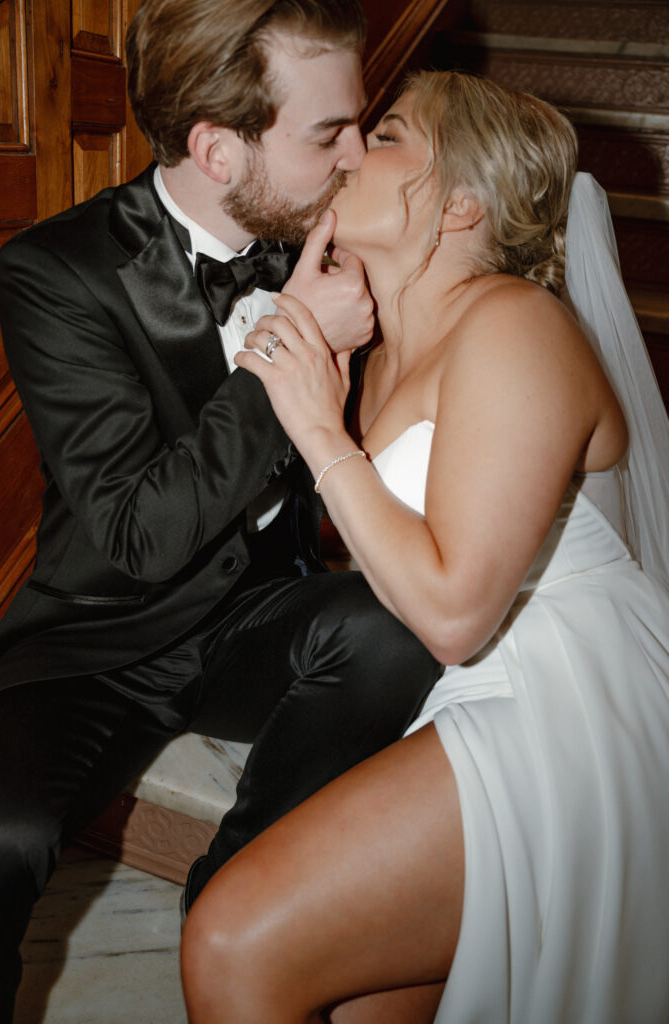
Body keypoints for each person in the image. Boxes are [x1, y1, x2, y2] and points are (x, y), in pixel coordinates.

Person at [180, 71, 669, 1023]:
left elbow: (450, 612)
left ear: (461, 200)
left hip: (558, 693)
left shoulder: (515, 324)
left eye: (389, 135)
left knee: (233, 940)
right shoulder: (376, 353)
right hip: (444, 687)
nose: (351, 150)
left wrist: (318, 428)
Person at [0, 2, 441, 1019]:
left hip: (253, 621)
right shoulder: (54, 272)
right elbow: (140, 533)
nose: (360, 152)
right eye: (328, 133)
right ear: (216, 149)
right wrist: (295, 344)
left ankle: (233, 901)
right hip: (100, 636)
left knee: (394, 628)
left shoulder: (339, 239)